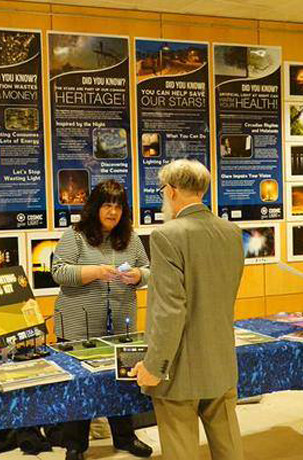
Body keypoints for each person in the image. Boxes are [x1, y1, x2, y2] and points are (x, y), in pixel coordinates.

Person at [130, 159, 245, 460]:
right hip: (221, 359)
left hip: (181, 368)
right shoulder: (231, 231)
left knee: (181, 451)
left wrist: (154, 366)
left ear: (170, 191)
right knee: (229, 447)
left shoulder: (167, 235)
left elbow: (169, 309)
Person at [51, 180, 152, 460]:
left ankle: (124, 437)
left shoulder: (130, 238)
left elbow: (149, 270)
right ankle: (75, 446)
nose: (113, 211)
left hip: (121, 325)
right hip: (78, 326)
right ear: (95, 207)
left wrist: (139, 276)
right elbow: (58, 272)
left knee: (122, 381)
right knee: (79, 387)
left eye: (118, 205)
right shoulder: (75, 236)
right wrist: (95, 271)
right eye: (107, 204)